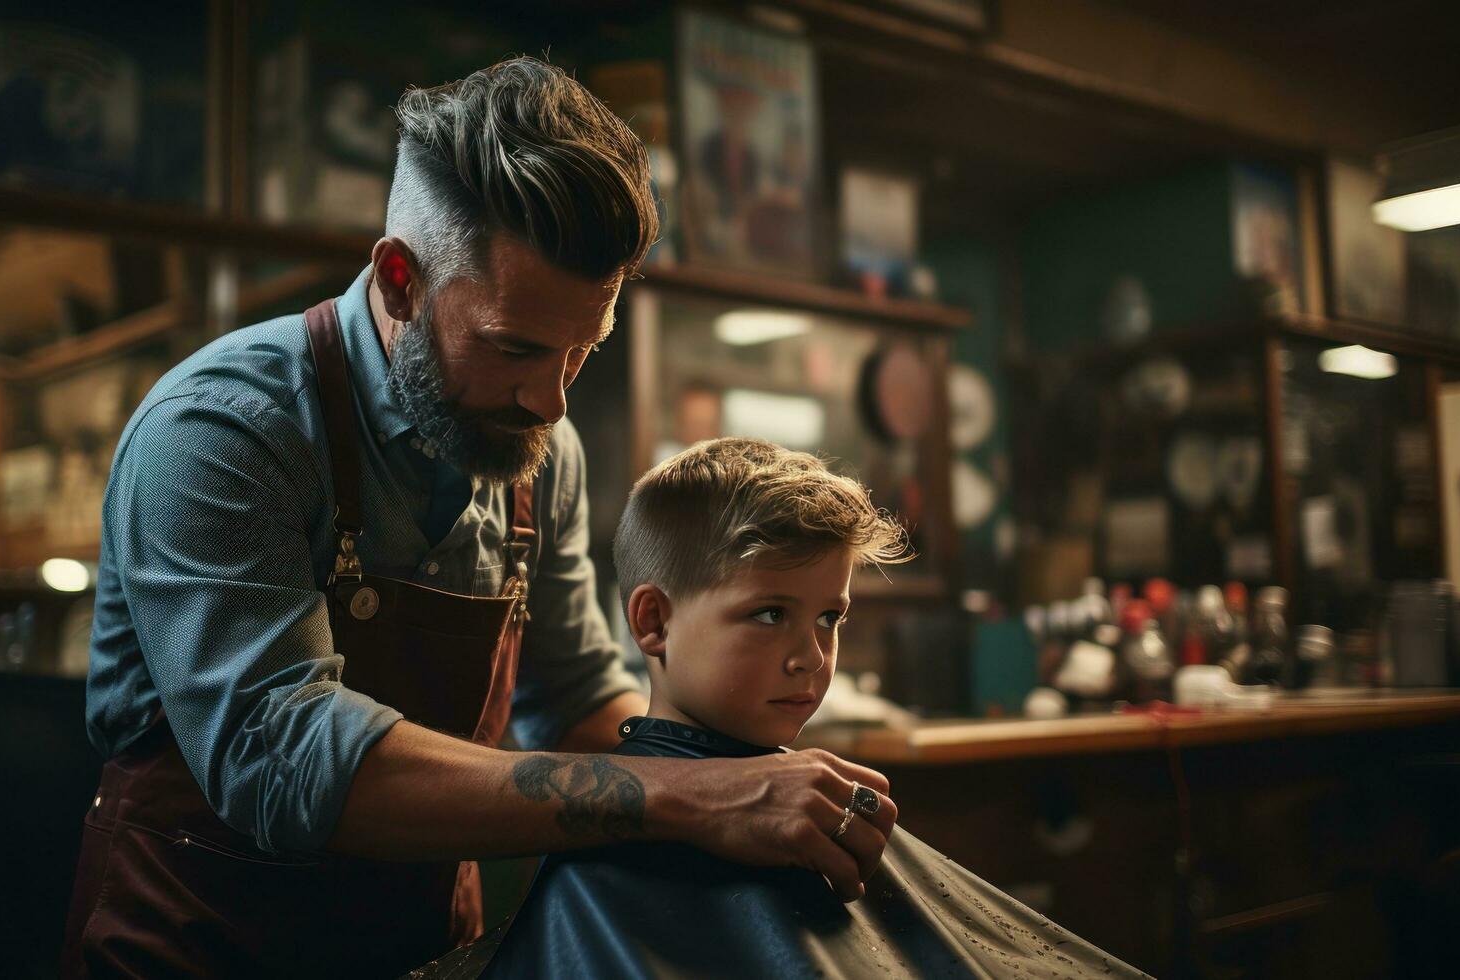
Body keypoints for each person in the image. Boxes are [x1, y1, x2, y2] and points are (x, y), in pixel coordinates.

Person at [61, 59, 896, 979]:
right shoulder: (222, 432)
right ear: (400, 278)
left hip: (424, 950)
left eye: (583, 352)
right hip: (198, 942)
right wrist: (690, 795)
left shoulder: (539, 454)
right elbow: (280, 758)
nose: (551, 402)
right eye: (515, 348)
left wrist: (748, 775)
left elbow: (574, 696)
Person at [419, 438, 1149, 978]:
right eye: (770, 614)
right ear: (653, 623)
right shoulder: (605, 859)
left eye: (830, 617)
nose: (812, 655)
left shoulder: (807, 799)